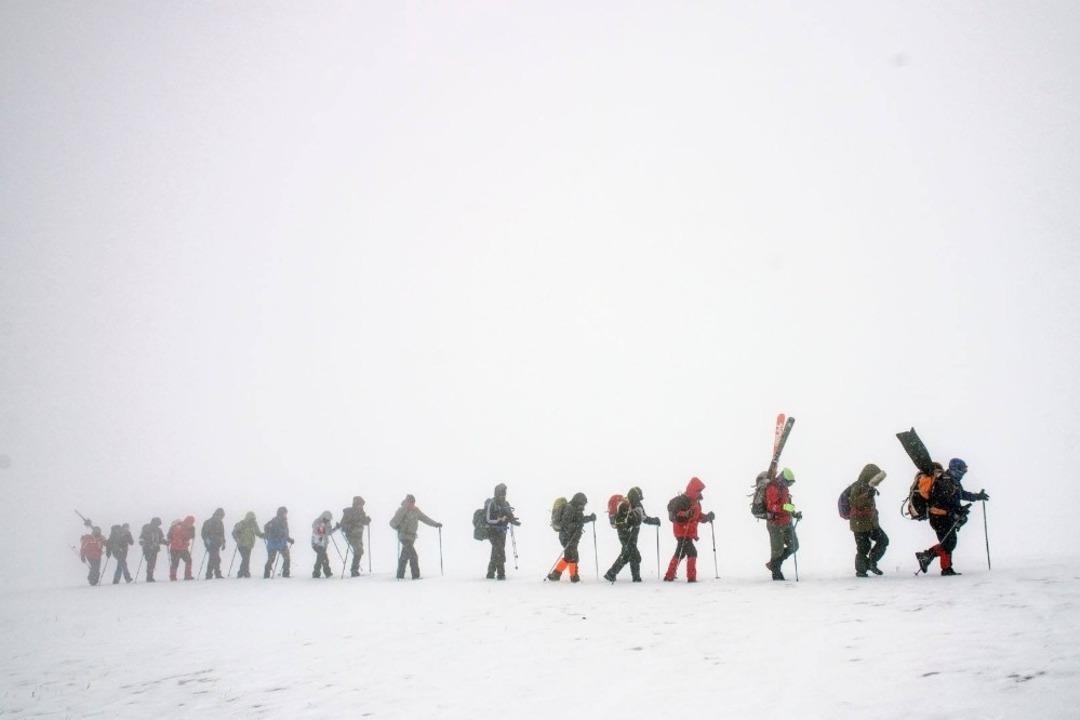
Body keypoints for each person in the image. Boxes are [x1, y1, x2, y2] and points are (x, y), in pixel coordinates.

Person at [916, 458, 990, 576]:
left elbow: (961, 495)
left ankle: (937, 563)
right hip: (939, 518)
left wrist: (977, 497)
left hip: (944, 517)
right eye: (962, 470)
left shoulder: (952, 481)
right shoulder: (944, 482)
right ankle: (932, 560)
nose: (964, 473)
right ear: (955, 469)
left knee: (949, 542)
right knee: (948, 543)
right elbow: (935, 505)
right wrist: (952, 512)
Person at [604, 487, 661, 583]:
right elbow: (620, 523)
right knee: (634, 555)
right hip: (626, 534)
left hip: (632, 533)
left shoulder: (637, 505)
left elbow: (644, 518)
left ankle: (611, 574)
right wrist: (630, 523)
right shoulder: (624, 505)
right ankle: (635, 578)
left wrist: (654, 521)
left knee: (627, 555)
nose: (639, 500)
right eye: (638, 498)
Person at [664, 477, 714, 582]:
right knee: (692, 552)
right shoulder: (684, 500)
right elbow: (678, 514)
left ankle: (669, 575)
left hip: (688, 532)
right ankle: (691, 578)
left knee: (680, 553)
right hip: (682, 531)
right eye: (698, 490)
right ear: (693, 489)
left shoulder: (696, 502)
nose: (700, 492)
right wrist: (686, 514)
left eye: (700, 490)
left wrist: (707, 517)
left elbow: (698, 516)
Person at [848, 464, 888, 577]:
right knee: (863, 548)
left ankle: (871, 562)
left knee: (884, 540)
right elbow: (854, 502)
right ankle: (861, 571)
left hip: (871, 523)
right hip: (859, 524)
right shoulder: (857, 486)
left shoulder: (869, 486)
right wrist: (867, 495)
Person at [389, 494, 441, 580]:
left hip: (412, 537)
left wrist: (435, 524)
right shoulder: (402, 510)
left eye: (413, 502)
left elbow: (425, 518)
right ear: (406, 502)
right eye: (410, 502)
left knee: (404, 556)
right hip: (404, 536)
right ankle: (415, 576)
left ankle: (400, 575)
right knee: (413, 555)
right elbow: (392, 523)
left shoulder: (416, 511)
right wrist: (397, 527)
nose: (412, 504)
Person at [548, 492, 595, 583]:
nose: (584, 505)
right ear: (578, 501)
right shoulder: (569, 508)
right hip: (567, 536)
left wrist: (590, 518)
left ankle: (556, 574)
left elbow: (580, 520)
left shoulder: (577, 509)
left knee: (569, 556)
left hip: (573, 537)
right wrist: (576, 525)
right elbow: (565, 524)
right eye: (583, 503)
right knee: (573, 556)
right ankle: (573, 577)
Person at [765, 467, 801, 581]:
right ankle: (776, 572)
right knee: (777, 550)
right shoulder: (772, 488)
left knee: (794, 545)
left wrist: (794, 513)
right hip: (775, 524)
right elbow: (772, 507)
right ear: (783, 479)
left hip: (786, 522)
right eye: (788, 482)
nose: (789, 485)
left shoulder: (784, 488)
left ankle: (774, 564)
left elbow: (786, 504)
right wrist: (785, 508)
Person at [483, 483, 520, 580]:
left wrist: (513, 520)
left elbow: (509, 515)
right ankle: (501, 573)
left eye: (504, 493)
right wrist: (499, 520)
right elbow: (488, 519)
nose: (503, 496)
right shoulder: (492, 503)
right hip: (492, 531)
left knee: (497, 550)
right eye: (501, 493)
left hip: (502, 532)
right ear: (497, 493)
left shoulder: (506, 503)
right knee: (499, 550)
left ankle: (490, 573)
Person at [339, 496, 371, 577]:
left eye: (362, 505)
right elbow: (343, 525)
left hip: (359, 535)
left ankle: (354, 569)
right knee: (359, 550)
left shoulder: (361, 512)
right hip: (351, 535)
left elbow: (363, 521)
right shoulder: (349, 512)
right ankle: (354, 570)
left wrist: (367, 520)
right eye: (360, 504)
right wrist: (350, 527)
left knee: (360, 551)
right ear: (356, 503)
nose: (361, 506)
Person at [263, 506, 294, 578]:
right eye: (285, 513)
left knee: (283, 558)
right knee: (275, 559)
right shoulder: (275, 521)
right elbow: (267, 528)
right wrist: (275, 535)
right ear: (281, 513)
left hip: (279, 543)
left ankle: (285, 573)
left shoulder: (284, 522)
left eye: (286, 513)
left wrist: (289, 539)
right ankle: (284, 573)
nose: (286, 515)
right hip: (275, 543)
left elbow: (285, 534)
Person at [231, 511, 264, 578]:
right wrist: (237, 540)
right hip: (241, 544)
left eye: (253, 518)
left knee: (246, 558)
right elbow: (234, 532)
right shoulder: (242, 523)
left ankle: (245, 572)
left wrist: (264, 535)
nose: (253, 520)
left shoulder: (254, 524)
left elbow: (258, 533)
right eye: (252, 518)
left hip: (249, 544)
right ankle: (242, 573)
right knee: (246, 558)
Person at [167, 516, 196, 581]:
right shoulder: (179, 527)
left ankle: (174, 576)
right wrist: (191, 534)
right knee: (179, 562)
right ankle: (185, 575)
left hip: (179, 548)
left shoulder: (186, 527)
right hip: (178, 548)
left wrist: (192, 533)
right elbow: (184, 536)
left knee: (179, 562)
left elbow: (189, 536)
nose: (191, 523)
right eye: (191, 522)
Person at [200, 508, 226, 580]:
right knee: (216, 558)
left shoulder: (220, 523)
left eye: (222, 516)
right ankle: (216, 574)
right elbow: (204, 533)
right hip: (210, 543)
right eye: (221, 516)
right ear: (217, 514)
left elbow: (222, 534)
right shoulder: (208, 522)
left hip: (217, 543)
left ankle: (209, 574)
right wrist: (207, 541)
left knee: (213, 558)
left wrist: (223, 543)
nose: (221, 518)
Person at [138, 517, 167, 582]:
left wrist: (165, 542)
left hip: (154, 548)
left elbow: (160, 539)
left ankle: (149, 577)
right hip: (148, 548)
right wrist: (142, 542)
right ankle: (149, 577)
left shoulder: (158, 530)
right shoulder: (147, 528)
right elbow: (142, 537)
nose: (158, 525)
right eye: (158, 523)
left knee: (152, 562)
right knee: (150, 561)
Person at [311, 511, 337, 578]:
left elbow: (329, 532)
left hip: (324, 544)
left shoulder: (328, 523)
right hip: (316, 543)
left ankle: (318, 573)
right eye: (328, 519)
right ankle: (325, 573)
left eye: (329, 519)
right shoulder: (317, 521)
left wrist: (336, 528)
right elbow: (318, 531)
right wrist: (323, 524)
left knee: (321, 557)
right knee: (323, 557)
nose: (329, 520)